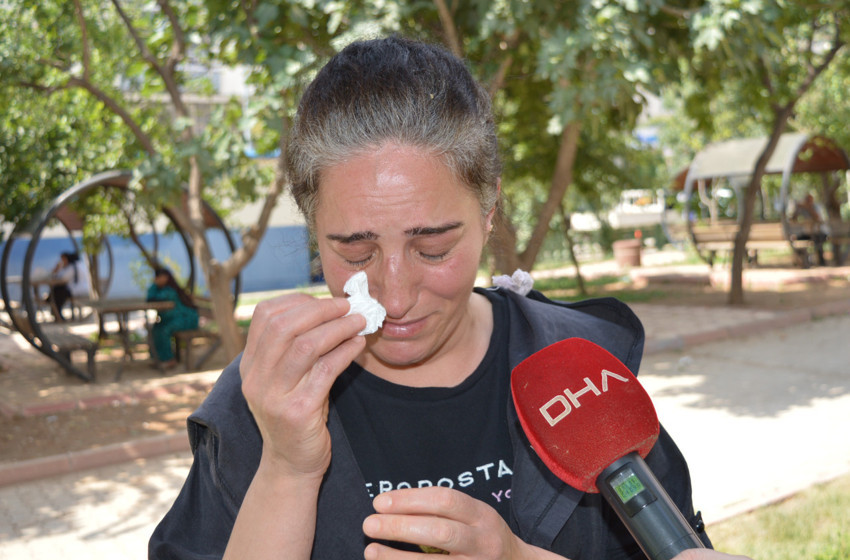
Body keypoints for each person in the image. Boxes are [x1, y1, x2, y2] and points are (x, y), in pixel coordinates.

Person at [150, 37, 714, 559]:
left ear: (489, 212)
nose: (394, 297)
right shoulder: (268, 393)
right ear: (313, 229)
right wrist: (285, 468)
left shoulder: (580, 370)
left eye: (434, 248)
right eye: (354, 253)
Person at [146, 267, 199, 369]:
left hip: (185, 319)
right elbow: (149, 298)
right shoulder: (159, 289)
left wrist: (155, 286)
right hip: (173, 319)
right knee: (156, 329)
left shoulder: (170, 290)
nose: (157, 279)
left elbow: (155, 299)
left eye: (159, 277)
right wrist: (154, 285)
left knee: (164, 330)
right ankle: (159, 358)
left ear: (166, 277)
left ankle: (169, 359)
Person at [45, 251, 90, 321]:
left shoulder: (72, 266)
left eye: (63, 260)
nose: (62, 262)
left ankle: (55, 311)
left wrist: (58, 269)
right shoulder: (80, 264)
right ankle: (55, 311)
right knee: (58, 290)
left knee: (58, 291)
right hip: (84, 289)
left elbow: (63, 278)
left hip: (76, 290)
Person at [789, 193, 827, 267]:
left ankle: (821, 261)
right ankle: (803, 260)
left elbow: (818, 219)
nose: (808, 202)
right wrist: (797, 208)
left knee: (817, 240)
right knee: (796, 239)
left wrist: (809, 208)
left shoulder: (817, 207)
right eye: (806, 200)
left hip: (820, 232)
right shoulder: (802, 208)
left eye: (809, 200)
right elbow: (793, 219)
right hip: (808, 233)